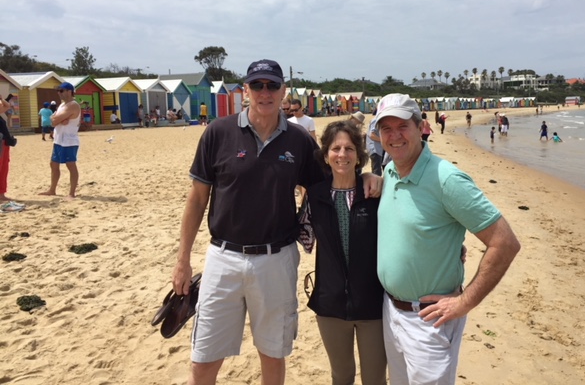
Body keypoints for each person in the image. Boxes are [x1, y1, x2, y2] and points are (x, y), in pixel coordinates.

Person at [171, 59, 381, 385]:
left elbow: (335, 176)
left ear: (283, 91)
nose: (265, 92)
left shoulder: (298, 141)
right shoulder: (218, 132)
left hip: (277, 259)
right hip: (222, 259)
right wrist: (183, 260)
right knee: (204, 357)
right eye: (258, 85)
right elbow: (197, 199)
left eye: (272, 85)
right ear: (246, 89)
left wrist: (367, 175)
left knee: (272, 352)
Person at [374, 93, 520, 385]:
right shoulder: (389, 171)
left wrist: (465, 302)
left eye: (402, 126)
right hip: (390, 312)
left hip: (430, 321)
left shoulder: (447, 179)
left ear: (420, 127)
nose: (394, 136)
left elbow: (504, 242)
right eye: (386, 128)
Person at [300, 120, 386, 385]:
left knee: (375, 378)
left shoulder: (375, 193)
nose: (342, 154)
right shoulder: (314, 196)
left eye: (349, 148)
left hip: (373, 304)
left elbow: (406, 232)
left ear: (359, 155)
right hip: (330, 305)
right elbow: (301, 238)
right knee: (341, 376)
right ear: (326, 155)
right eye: (336, 148)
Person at [39, 82, 82, 199]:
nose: (59, 93)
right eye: (58, 91)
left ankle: (71, 193)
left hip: (69, 141)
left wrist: (58, 119)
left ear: (69, 91)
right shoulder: (62, 105)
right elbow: (52, 119)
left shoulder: (73, 105)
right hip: (58, 140)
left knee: (70, 165)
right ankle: (52, 190)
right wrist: (59, 119)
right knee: (53, 164)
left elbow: (53, 121)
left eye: (61, 91)